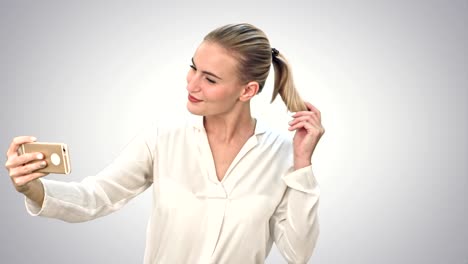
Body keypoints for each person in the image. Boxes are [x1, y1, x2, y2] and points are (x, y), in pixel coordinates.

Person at [5, 23, 325, 263]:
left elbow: (298, 253)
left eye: (210, 79)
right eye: (193, 67)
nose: (192, 84)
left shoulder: (282, 155)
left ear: (247, 91)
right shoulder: (163, 137)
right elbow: (96, 197)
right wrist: (32, 188)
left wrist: (302, 165)